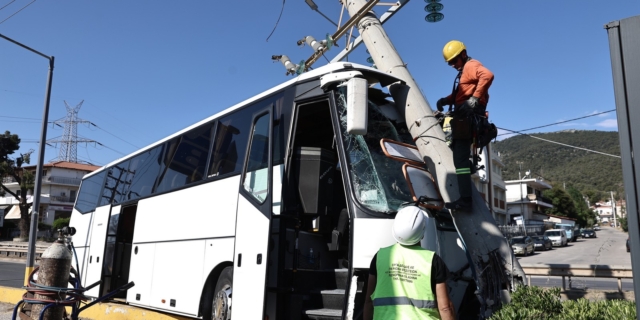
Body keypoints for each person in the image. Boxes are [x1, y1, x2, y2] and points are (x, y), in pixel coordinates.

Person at [364, 206, 455, 320]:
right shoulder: (432, 260)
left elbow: (368, 301)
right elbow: (445, 308)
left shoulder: (380, 257)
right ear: (422, 232)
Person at [436, 40, 494, 211]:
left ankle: (465, 200)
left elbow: (488, 75)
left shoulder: (471, 65)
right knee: (457, 153)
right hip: (465, 118)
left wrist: (474, 99)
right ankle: (469, 169)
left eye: (455, 61)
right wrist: (446, 100)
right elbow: (462, 93)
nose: (453, 65)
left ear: (463, 54)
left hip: (468, 118)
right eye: (450, 63)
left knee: (459, 159)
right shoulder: (465, 70)